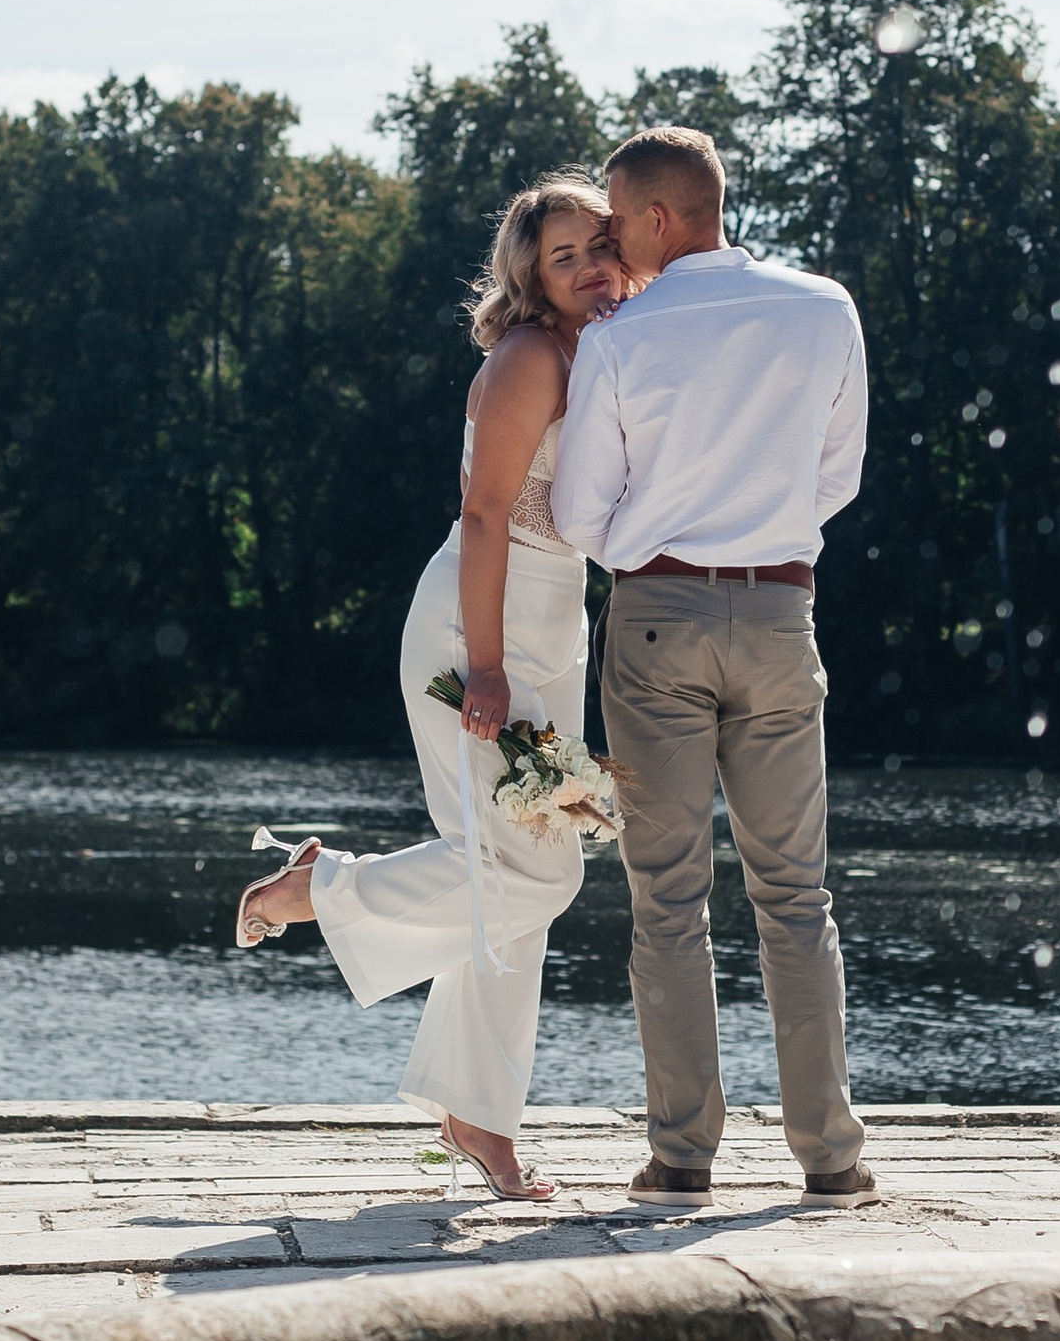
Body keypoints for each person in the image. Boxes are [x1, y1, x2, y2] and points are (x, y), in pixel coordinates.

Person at [231, 178, 623, 1199]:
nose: (587, 267)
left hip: (549, 624)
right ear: (528, 277)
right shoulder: (529, 358)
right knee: (537, 873)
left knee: (514, 874)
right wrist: (487, 664)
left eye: (599, 246)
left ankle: (479, 1120)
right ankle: (318, 889)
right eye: (562, 256)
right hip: (478, 623)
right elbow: (487, 514)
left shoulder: (603, 351)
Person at [550, 125, 873, 1204]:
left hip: (653, 618)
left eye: (614, 219)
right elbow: (838, 477)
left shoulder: (621, 338)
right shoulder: (824, 307)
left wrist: (664, 541)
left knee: (668, 899)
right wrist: (758, 532)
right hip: (782, 612)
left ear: (656, 216)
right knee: (796, 896)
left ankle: (681, 1156)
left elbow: (583, 512)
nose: (609, 246)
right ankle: (830, 1160)